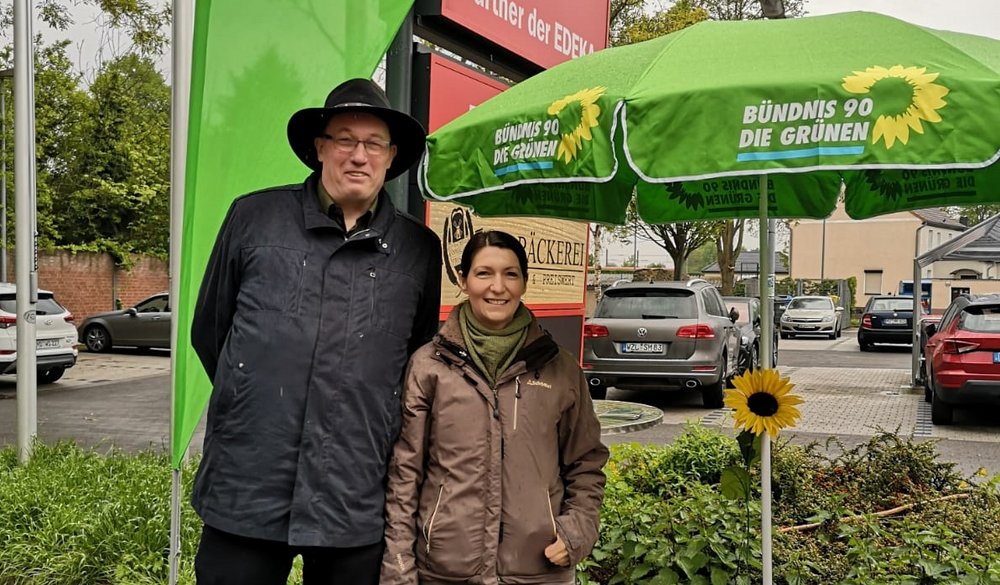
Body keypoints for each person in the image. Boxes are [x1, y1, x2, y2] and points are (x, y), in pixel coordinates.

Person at [190, 78, 442, 585]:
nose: (358, 155)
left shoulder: (418, 249)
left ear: (391, 157)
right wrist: (255, 399)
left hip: (354, 492)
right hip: (249, 482)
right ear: (320, 147)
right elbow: (211, 331)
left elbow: (415, 358)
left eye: (373, 144)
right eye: (345, 139)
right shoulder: (254, 217)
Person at [381, 230, 608, 585]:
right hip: (444, 572)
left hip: (538, 571)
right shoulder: (429, 366)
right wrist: (398, 567)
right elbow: (405, 475)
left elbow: (587, 462)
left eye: (510, 274)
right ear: (463, 279)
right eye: (484, 273)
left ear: (524, 282)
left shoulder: (560, 369)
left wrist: (576, 531)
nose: (497, 287)